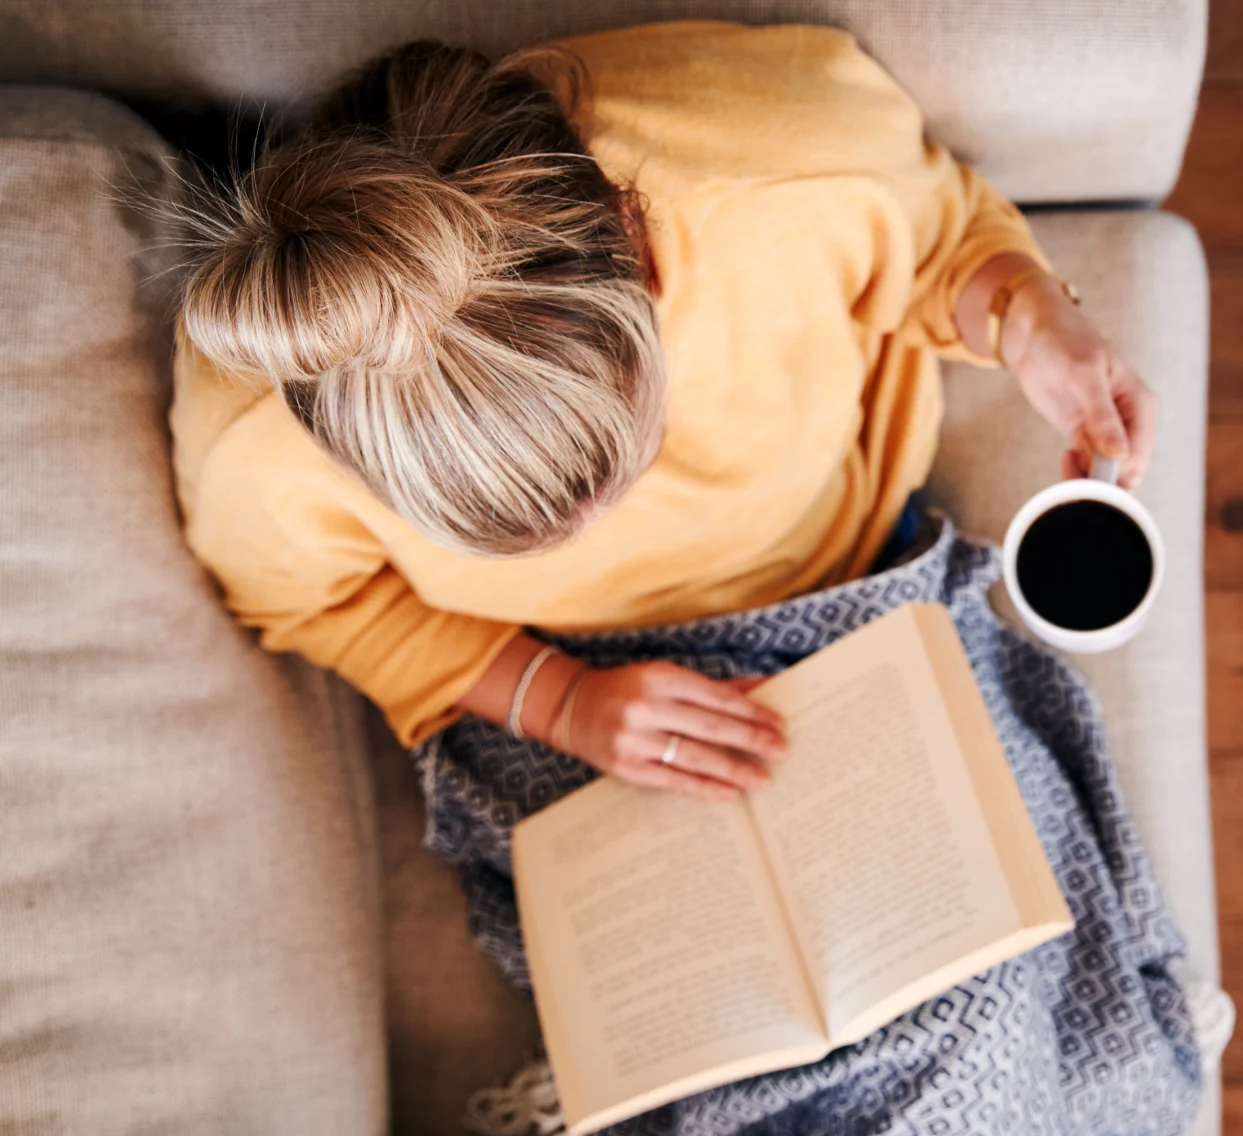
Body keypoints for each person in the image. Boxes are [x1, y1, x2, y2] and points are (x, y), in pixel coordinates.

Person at [171, 23, 1160, 794]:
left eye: (623, 464)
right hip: (561, 686)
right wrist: (561, 703)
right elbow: (308, 601)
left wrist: (1027, 317)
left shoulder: (782, 159)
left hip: (849, 582)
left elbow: (938, 238)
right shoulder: (259, 422)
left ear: (634, 240)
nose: (605, 527)